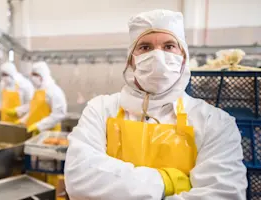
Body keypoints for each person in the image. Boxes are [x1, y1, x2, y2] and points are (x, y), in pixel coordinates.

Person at [64, 10, 247, 200]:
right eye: (145, 47)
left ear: (183, 57)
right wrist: (166, 181)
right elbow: (80, 176)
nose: (158, 56)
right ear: (131, 60)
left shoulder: (214, 122)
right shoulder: (101, 109)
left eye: (169, 46)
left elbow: (223, 194)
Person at [13, 61, 67, 134]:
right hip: (34, 133)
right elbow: (33, 109)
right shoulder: (37, 90)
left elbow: (58, 115)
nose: (32, 77)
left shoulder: (54, 91)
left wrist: (39, 126)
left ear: (43, 76)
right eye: (32, 74)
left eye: (35, 75)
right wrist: (23, 120)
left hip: (49, 135)